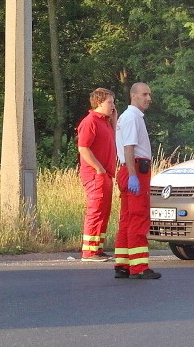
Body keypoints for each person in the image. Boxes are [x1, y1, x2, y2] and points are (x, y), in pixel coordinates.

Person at [112, 82, 160, 279]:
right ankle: (139, 267)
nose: (148, 98)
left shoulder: (126, 117)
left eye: (149, 94)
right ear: (133, 96)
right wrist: (133, 175)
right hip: (136, 170)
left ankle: (123, 264)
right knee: (138, 218)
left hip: (128, 169)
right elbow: (129, 148)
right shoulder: (132, 118)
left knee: (127, 219)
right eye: (144, 94)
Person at [77, 87, 117, 261]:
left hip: (106, 174)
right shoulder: (90, 121)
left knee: (104, 211)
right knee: (95, 210)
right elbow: (83, 148)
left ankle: (97, 248)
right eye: (110, 102)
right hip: (96, 175)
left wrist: (114, 120)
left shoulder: (105, 121)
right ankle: (89, 251)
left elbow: (114, 138)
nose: (113, 106)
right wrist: (99, 168)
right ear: (99, 102)